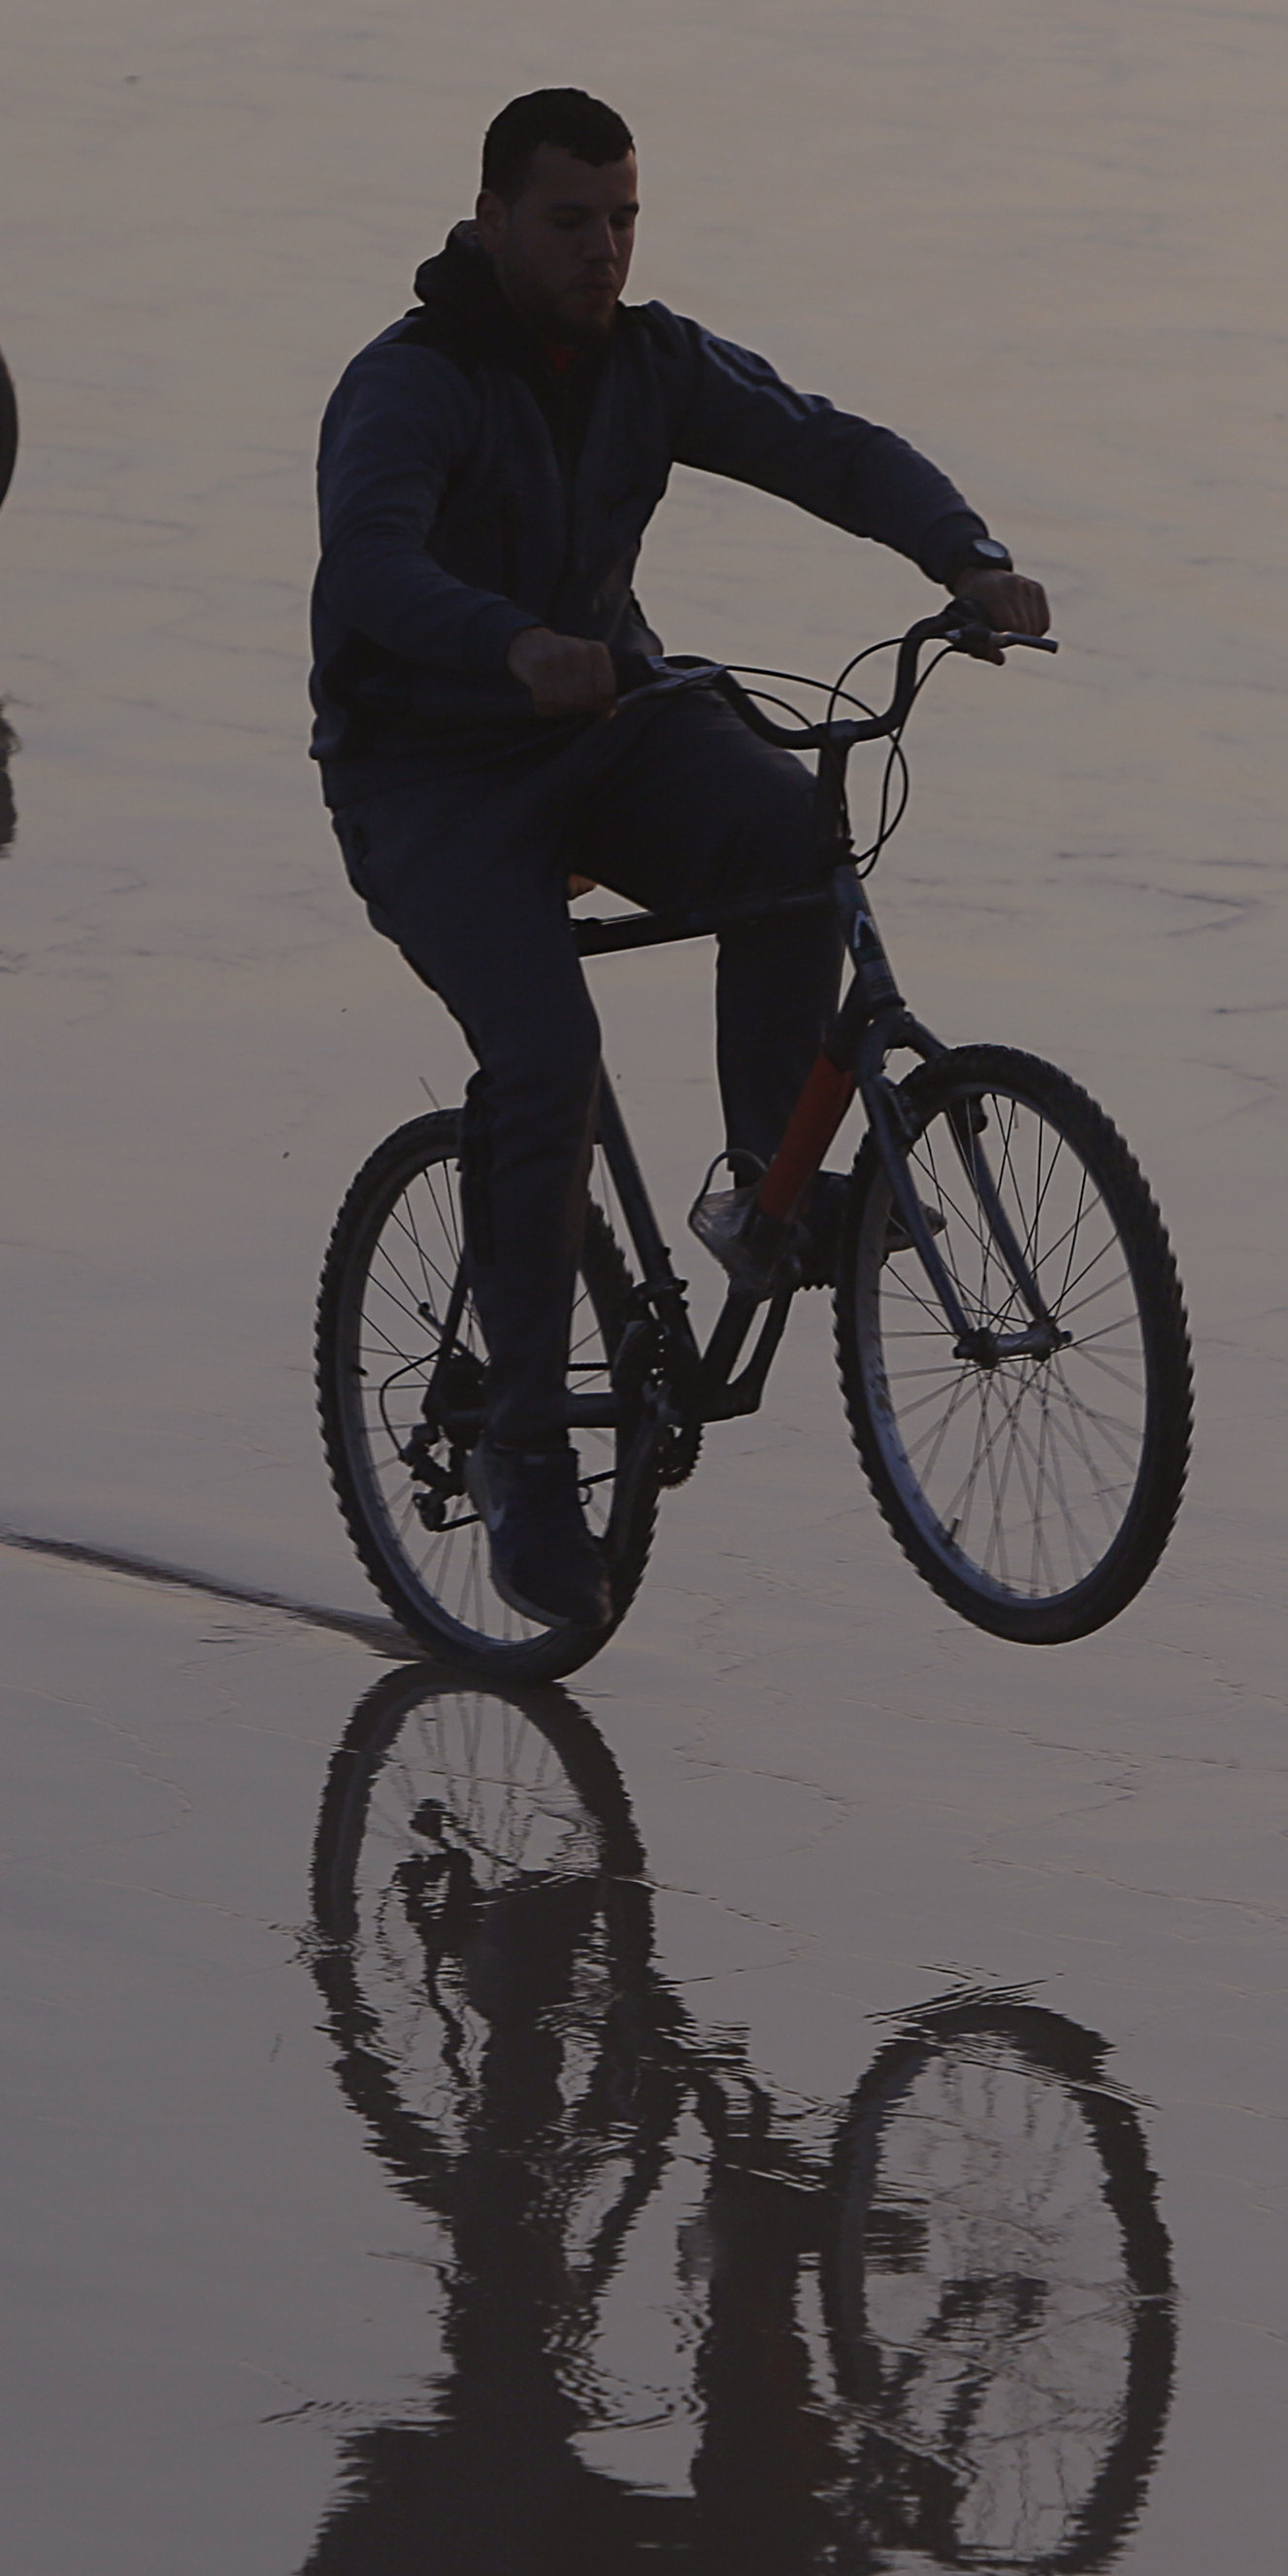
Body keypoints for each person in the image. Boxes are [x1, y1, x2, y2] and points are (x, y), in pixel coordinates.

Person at [312, 88, 1049, 1626]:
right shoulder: (412, 384)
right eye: (571, 220)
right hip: (430, 780)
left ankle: (758, 1188)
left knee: (789, 832)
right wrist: (510, 642)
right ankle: (521, 1456)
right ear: (494, 219)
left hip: (603, 724)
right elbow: (372, 565)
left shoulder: (648, 361)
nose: (604, 250)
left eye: (626, 218)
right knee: (546, 1060)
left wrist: (965, 556)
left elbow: (819, 445)